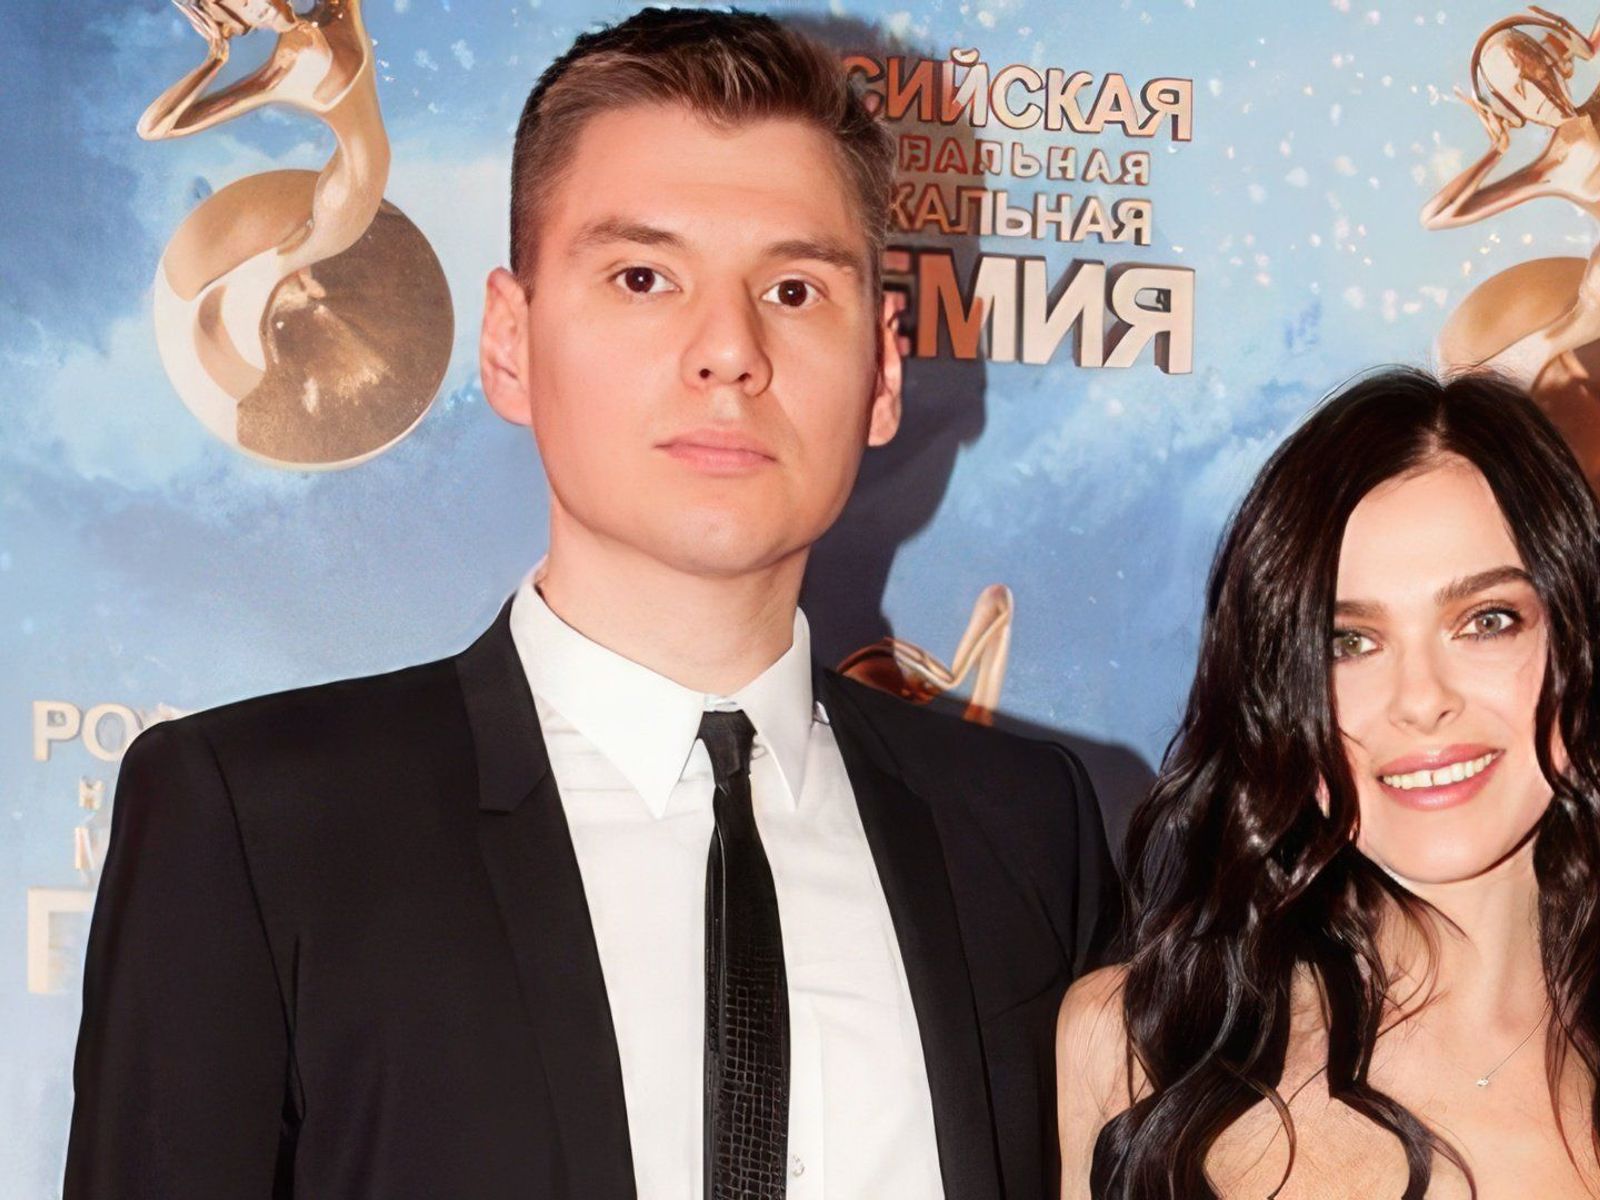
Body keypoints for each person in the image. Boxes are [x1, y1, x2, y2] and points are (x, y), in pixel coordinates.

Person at [65, 9, 1119, 1198]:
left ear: (883, 370)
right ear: (509, 343)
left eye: (791, 288)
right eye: (642, 277)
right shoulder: (261, 825)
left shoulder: (1023, 832)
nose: (728, 352)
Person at [1056, 368, 1600, 1199]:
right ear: (1281, 690)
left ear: (1579, 640)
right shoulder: (1138, 1047)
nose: (1420, 700)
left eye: (1486, 621)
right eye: (1349, 642)